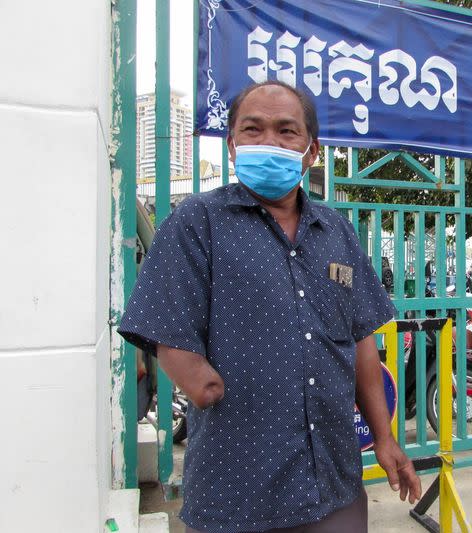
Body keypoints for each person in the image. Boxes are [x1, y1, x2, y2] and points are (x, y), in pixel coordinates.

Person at [118, 80, 421, 533]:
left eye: (286, 131)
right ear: (232, 145)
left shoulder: (336, 230)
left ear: (312, 151)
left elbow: (360, 340)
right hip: (237, 493)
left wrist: (384, 437)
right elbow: (163, 321)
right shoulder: (198, 222)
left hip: (333, 486)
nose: (269, 142)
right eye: (253, 129)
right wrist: (195, 376)